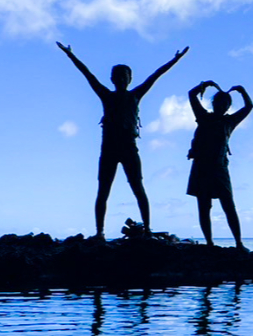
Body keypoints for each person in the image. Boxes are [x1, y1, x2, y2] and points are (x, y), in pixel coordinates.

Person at [57, 42, 189, 237]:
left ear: (130, 78)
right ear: (112, 79)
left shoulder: (136, 95)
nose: (121, 79)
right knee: (103, 191)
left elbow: (156, 75)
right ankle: (100, 232)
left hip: (129, 148)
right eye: (117, 76)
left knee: (138, 188)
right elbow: (87, 74)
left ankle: (146, 229)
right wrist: (71, 55)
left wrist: (175, 60)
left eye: (124, 76)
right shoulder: (106, 95)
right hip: (109, 149)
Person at [186, 81, 253, 248]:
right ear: (213, 103)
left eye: (225, 103)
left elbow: (249, 106)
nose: (221, 105)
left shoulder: (229, 122)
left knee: (228, 206)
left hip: (219, 168)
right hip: (201, 167)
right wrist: (204, 85)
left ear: (228, 106)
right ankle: (209, 243)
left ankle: (238, 242)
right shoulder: (203, 117)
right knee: (204, 206)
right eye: (218, 102)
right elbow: (191, 95)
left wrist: (242, 91)